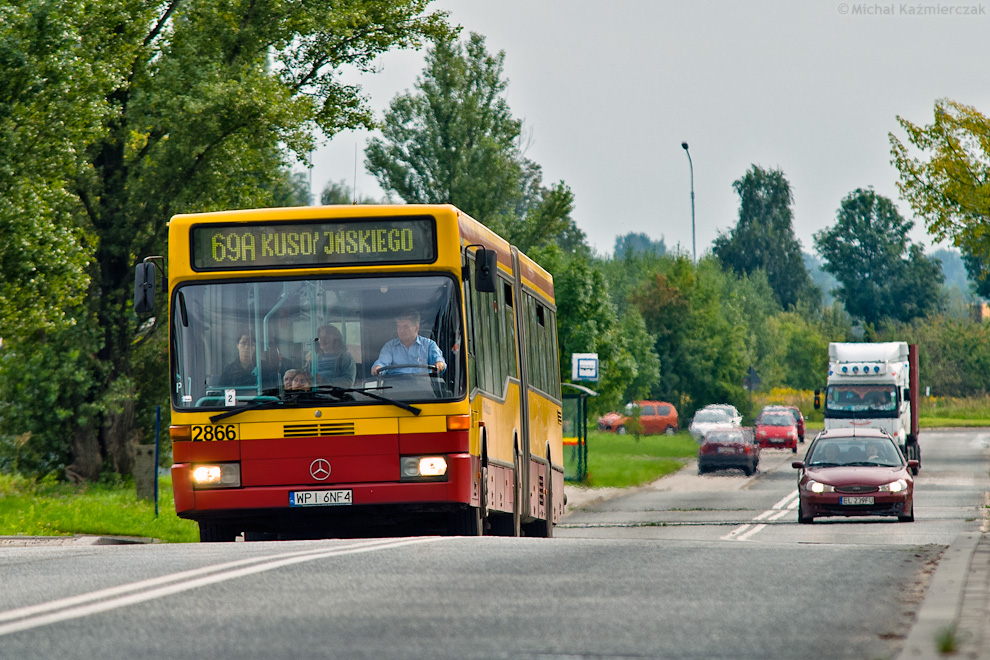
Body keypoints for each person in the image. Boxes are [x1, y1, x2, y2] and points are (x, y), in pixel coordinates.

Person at [371, 308, 446, 376]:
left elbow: (438, 360)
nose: (401, 330)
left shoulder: (429, 345)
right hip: (395, 386)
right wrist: (378, 367)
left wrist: (439, 364)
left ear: (416, 328)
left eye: (405, 327)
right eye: (399, 326)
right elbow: (382, 361)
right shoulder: (390, 346)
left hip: (424, 385)